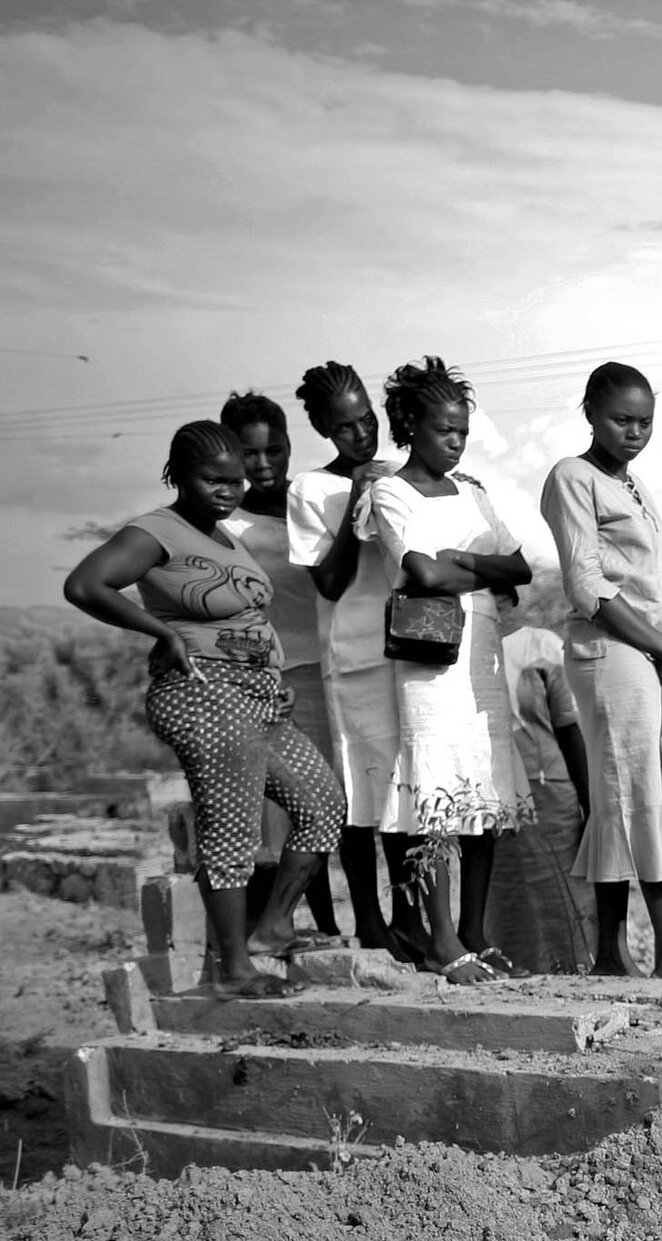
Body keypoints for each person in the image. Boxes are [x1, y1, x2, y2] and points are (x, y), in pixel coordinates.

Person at [63, 422, 344, 995]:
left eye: (236, 482)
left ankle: (271, 929)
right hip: (202, 690)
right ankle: (233, 971)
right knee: (230, 829)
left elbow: (247, 617)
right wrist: (160, 634)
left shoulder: (226, 537)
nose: (228, 491)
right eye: (212, 479)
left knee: (323, 806)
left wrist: (270, 674)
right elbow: (86, 585)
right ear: (178, 475)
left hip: (261, 697)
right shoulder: (155, 531)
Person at [362, 356, 536, 984]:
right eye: (444, 431)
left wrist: (461, 558)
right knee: (435, 787)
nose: (457, 442)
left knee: (483, 788)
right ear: (410, 424)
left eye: (463, 431)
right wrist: (475, 569)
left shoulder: (476, 493)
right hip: (430, 659)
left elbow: (519, 569)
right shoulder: (389, 491)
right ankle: (438, 940)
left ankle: (474, 930)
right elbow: (422, 574)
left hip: (481, 655)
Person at [539, 361, 662, 980]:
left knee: (620, 795)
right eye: (621, 419)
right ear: (589, 412)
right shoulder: (572, 477)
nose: (635, 432)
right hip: (610, 656)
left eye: (645, 422)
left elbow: (656, 578)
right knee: (643, 796)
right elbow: (587, 586)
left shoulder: (635, 486)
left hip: (648, 656)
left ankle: (612, 952)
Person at [222, 389, 343, 945]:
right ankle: (309, 923)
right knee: (298, 806)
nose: (265, 464)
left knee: (345, 805)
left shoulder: (311, 502)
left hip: (337, 668)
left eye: (276, 450)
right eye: (250, 455)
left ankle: (355, 921)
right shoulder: (229, 526)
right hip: (280, 679)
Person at [287, 361, 397, 949]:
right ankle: (370, 923)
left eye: (367, 418)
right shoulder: (310, 489)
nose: (361, 434)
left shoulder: (402, 474)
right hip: (351, 658)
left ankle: (409, 918)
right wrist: (358, 497)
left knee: (405, 787)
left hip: (405, 652)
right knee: (356, 792)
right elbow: (328, 584)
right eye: (345, 426)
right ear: (325, 431)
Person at [485, 589, 597, 975]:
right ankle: (550, 966)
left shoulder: (527, 646)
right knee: (537, 891)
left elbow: (568, 728)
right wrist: (590, 803)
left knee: (539, 891)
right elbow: (569, 728)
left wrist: (588, 804)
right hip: (524, 788)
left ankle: (545, 967)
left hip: (522, 790)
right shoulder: (533, 645)